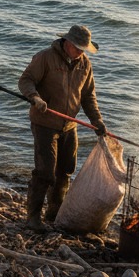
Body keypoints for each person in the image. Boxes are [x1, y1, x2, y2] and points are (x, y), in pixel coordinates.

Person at [18, 25, 107, 232]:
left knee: (65, 170)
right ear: (67, 43)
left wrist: (97, 121)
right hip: (44, 123)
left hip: (69, 124)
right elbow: (25, 81)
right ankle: (32, 218)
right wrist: (35, 98)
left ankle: (54, 214)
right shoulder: (45, 57)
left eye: (84, 49)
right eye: (78, 48)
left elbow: (88, 97)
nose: (80, 52)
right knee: (45, 171)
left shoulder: (85, 64)